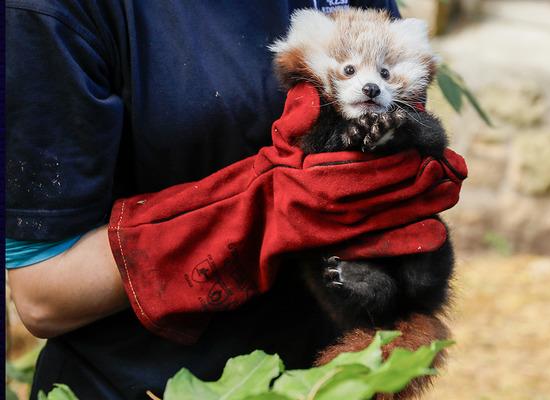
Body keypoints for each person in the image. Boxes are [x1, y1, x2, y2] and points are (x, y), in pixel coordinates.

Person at [6, 1, 463, 398]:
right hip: (148, 383)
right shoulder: (54, 13)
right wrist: (262, 211)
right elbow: (43, 298)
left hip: (334, 373)